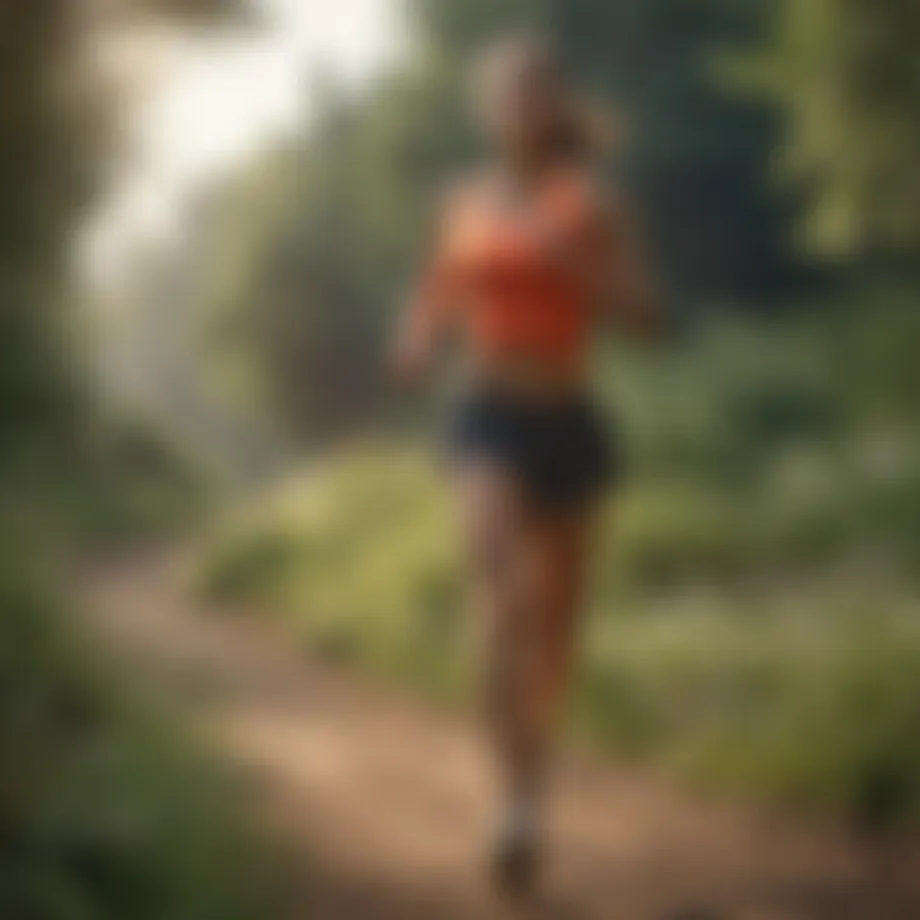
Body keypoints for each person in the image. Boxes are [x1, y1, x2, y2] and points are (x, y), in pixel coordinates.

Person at [390, 34, 660, 895]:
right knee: (503, 599)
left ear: (557, 109)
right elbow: (438, 288)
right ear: (488, 109)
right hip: (487, 415)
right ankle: (509, 803)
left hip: (570, 418)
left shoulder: (595, 201)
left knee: (554, 632)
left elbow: (646, 320)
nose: (521, 106)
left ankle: (532, 783)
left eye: (537, 92)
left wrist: (576, 262)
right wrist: (418, 341)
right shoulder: (461, 198)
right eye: (507, 92)